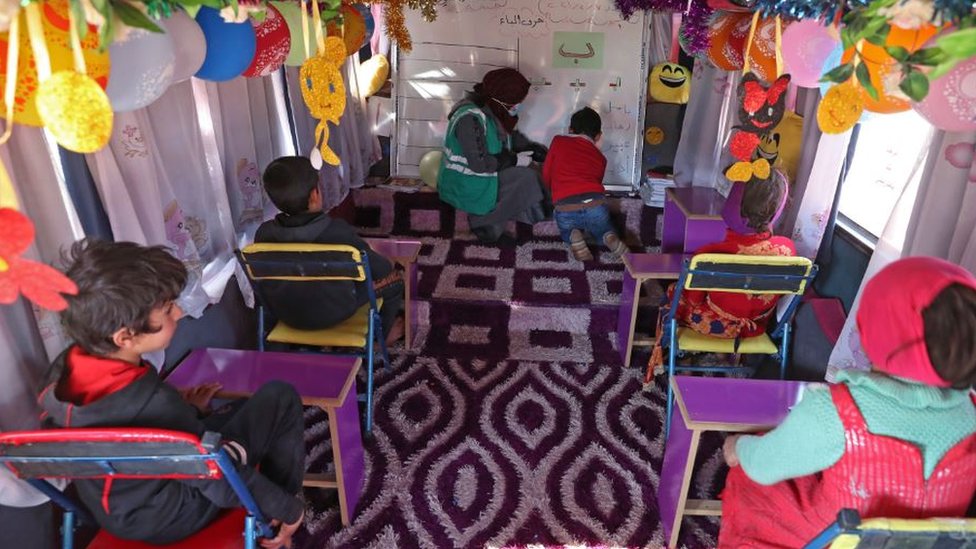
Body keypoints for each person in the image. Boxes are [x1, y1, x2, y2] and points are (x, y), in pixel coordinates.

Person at [39, 240, 305, 548]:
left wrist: (185, 413)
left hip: (113, 509)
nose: (178, 312)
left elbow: (132, 422)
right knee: (279, 397)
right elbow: (217, 479)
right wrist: (288, 508)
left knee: (227, 419)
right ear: (125, 336)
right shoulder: (159, 406)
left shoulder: (60, 376)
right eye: (167, 309)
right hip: (176, 515)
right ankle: (279, 523)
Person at [719, 256, 976, 548]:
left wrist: (738, 447)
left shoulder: (836, 412)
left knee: (747, 474)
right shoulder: (972, 413)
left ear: (876, 331)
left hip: (831, 540)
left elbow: (762, 467)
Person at [646, 172, 794, 380]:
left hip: (713, 326)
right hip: (755, 328)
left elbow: (693, 300)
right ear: (777, 211)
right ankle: (725, 356)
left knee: (673, 293)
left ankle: (683, 358)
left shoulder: (709, 255)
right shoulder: (787, 250)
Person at [256, 156, 404, 346]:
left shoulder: (264, 235)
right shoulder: (338, 233)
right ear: (315, 195)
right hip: (336, 311)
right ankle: (380, 340)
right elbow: (381, 269)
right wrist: (388, 262)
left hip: (287, 313)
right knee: (395, 281)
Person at [438, 67, 550, 244]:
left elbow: (504, 138)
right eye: (514, 103)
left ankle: (532, 218)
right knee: (525, 177)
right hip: (465, 183)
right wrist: (514, 159)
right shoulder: (470, 118)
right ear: (501, 99)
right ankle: (484, 226)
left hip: (479, 178)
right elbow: (479, 164)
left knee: (531, 171)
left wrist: (533, 149)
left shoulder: (489, 110)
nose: (517, 107)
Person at [542, 106, 626, 261]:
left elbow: (547, 173)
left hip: (565, 205)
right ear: (598, 136)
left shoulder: (558, 141)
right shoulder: (600, 158)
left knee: (566, 230)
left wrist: (552, 192)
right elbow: (596, 182)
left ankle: (573, 235)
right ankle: (609, 238)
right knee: (604, 229)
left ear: (570, 129)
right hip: (595, 204)